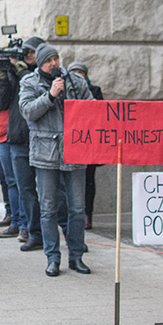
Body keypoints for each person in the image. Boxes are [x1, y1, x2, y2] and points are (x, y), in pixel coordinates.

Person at [19, 43, 94, 277]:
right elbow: (28, 112)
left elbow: (92, 109)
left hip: (75, 151)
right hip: (45, 153)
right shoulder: (29, 83)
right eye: (48, 60)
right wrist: (50, 96)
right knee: (49, 209)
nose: (53, 63)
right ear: (40, 63)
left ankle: (76, 256)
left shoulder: (75, 81)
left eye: (56, 59)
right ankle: (52, 258)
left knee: (77, 208)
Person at [0, 36, 45, 252]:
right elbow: (2, 102)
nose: (27, 56)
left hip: (41, 138)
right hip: (17, 137)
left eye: (32, 52)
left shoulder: (45, 74)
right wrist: (5, 77)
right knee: (23, 188)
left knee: (48, 191)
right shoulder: (16, 73)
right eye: (25, 53)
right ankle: (29, 229)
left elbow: (42, 96)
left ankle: (49, 231)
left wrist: (23, 71)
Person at [0, 67, 27, 241]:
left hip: (19, 135)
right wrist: (4, 80)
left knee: (23, 183)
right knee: (9, 181)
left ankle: (26, 224)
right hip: (2, 136)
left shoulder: (25, 79)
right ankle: (15, 221)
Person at [67, 61, 104, 230]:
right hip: (71, 142)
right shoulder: (64, 91)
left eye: (79, 72)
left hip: (89, 143)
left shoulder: (94, 91)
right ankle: (73, 215)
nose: (77, 75)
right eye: (73, 72)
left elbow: (100, 113)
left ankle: (88, 214)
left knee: (89, 181)